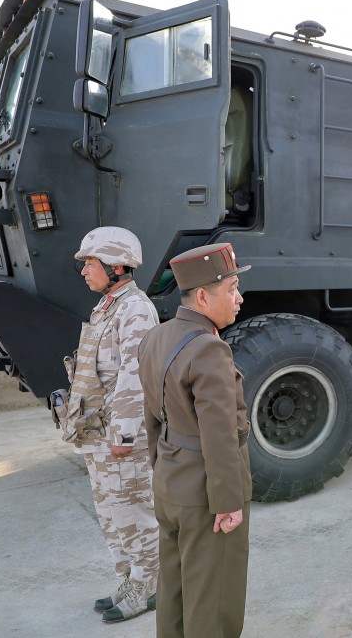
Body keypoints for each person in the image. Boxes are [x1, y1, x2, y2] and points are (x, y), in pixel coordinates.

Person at [138, 243, 253, 638]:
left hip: (172, 482)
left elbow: (152, 418)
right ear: (203, 296)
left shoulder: (156, 336)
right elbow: (220, 434)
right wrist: (228, 502)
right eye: (232, 288)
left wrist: (162, 473)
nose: (239, 298)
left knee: (175, 590)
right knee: (214, 600)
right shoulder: (209, 348)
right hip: (207, 493)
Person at [59, 227, 159, 623]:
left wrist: (125, 434)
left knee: (134, 513)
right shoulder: (107, 306)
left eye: (89, 263)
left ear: (116, 266)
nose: (84, 271)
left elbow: (136, 376)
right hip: (97, 432)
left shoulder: (135, 309)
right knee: (112, 515)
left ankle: (148, 586)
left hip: (120, 436)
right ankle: (131, 579)